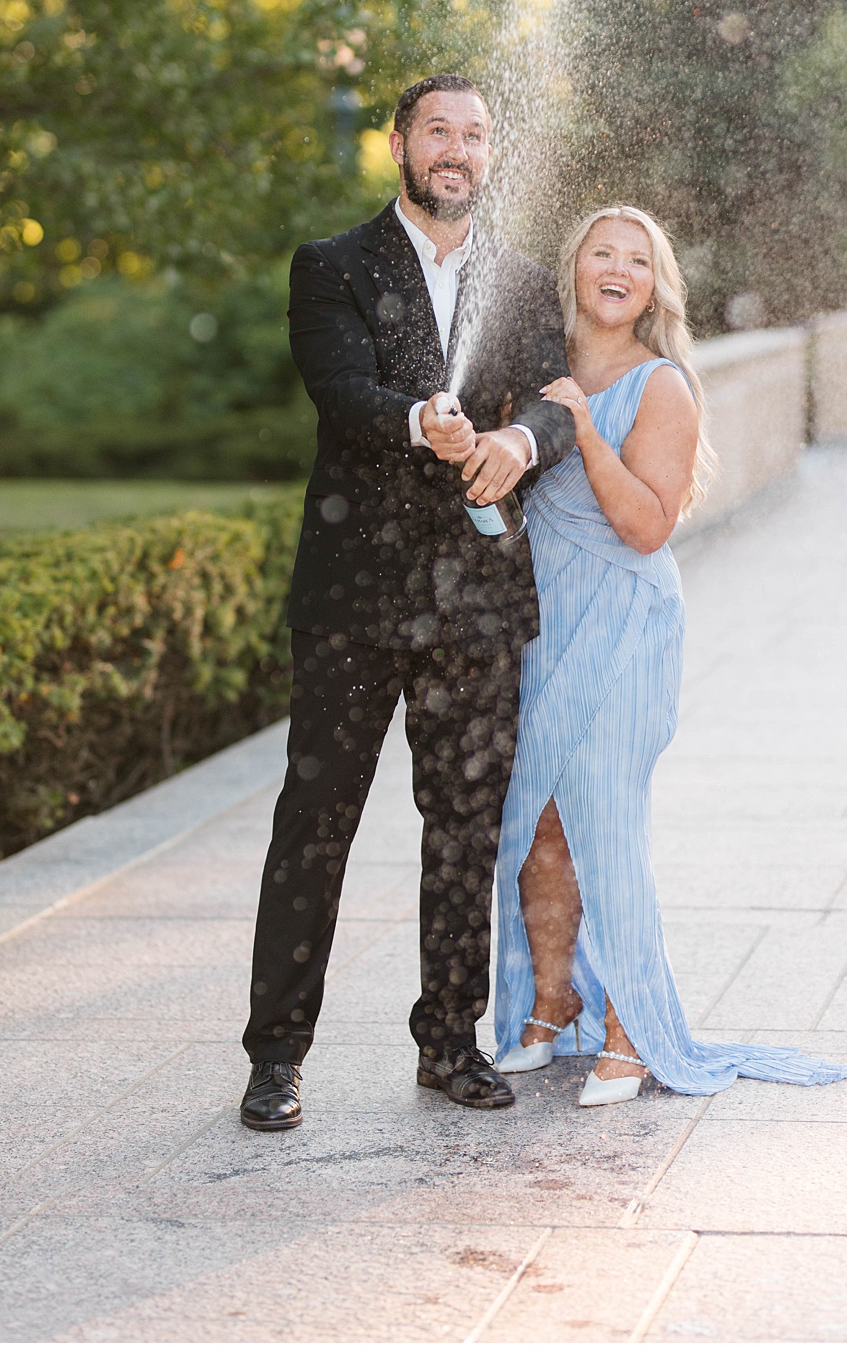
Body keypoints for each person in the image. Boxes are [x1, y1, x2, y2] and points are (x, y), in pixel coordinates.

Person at [240, 75, 575, 1130]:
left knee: (465, 825)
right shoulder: (331, 266)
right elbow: (338, 390)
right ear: (399, 144)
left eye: (475, 136)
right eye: (440, 130)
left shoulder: (520, 282)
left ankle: (448, 1041)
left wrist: (520, 442)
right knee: (315, 821)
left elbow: (559, 403)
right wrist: (420, 419)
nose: (458, 151)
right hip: (352, 603)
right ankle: (276, 1056)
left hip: (476, 604)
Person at [493, 206, 847, 1106]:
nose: (618, 270)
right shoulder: (537, 368)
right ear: (574, 269)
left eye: (638, 261)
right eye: (601, 254)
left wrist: (580, 430)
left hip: (623, 624)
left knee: (606, 827)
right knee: (537, 825)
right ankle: (550, 1001)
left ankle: (631, 1030)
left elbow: (647, 527)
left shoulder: (662, 388)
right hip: (544, 624)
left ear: (656, 286)